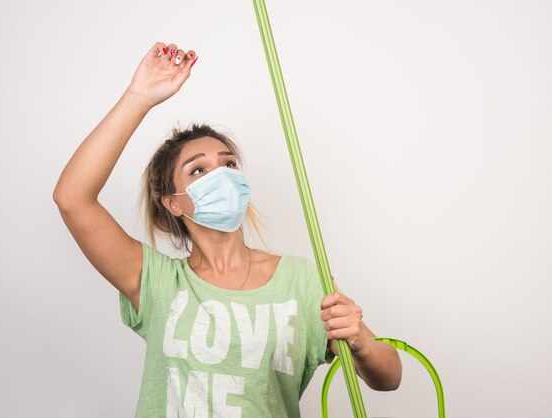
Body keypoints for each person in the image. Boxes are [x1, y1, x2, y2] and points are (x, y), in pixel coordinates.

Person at [53, 41, 402, 418]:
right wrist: (139, 97)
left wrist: (361, 344)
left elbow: (389, 376)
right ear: (173, 202)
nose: (220, 175)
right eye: (198, 170)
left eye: (229, 163)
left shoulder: (301, 280)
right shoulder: (154, 280)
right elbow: (72, 198)